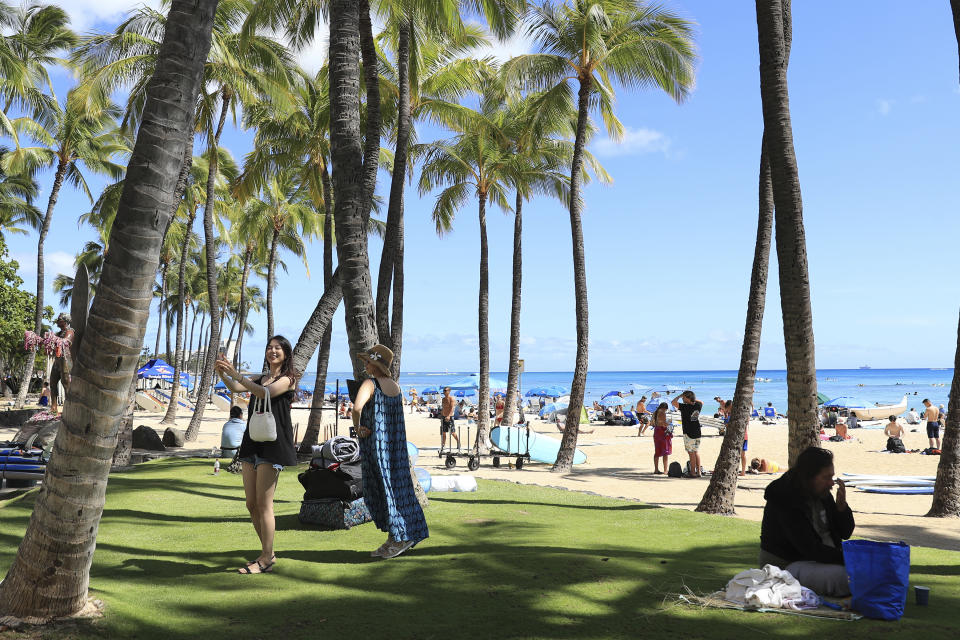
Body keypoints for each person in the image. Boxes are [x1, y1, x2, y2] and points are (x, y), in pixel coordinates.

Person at [215, 336, 298, 574]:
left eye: (278, 348)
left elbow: (264, 393)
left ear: (286, 353)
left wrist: (236, 373)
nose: (272, 351)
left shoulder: (288, 379)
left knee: (264, 504)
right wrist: (223, 373)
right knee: (251, 503)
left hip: (273, 444)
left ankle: (266, 558)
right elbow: (236, 388)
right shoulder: (261, 377)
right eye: (269, 347)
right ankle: (267, 553)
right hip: (252, 442)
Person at [353, 344, 429, 559]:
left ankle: (401, 537)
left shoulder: (370, 384)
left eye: (368, 361)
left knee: (379, 489)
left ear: (376, 365)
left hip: (376, 446)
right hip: (395, 447)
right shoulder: (395, 386)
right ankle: (396, 536)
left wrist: (358, 428)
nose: (365, 365)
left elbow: (357, 408)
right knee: (397, 489)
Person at [759, 447, 855, 597]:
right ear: (809, 477)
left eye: (832, 477)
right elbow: (809, 548)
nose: (831, 483)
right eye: (826, 477)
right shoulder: (785, 498)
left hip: (815, 561)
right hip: (785, 567)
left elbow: (845, 533)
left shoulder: (822, 493)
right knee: (846, 577)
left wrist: (842, 509)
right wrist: (849, 559)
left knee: (860, 573)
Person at [672, 390, 703, 477]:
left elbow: (673, 402)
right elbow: (701, 402)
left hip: (688, 432)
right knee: (696, 452)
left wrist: (679, 396)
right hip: (697, 431)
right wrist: (692, 399)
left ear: (687, 398)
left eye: (684, 397)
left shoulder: (685, 407)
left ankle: (692, 472)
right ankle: (699, 472)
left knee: (691, 453)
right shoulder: (697, 405)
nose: (682, 399)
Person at [49, 312, 75, 415]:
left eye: (59, 320)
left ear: (65, 321)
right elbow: (52, 342)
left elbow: (66, 341)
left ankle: (69, 408)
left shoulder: (70, 332)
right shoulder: (58, 334)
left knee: (66, 384)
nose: (57, 322)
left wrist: (54, 339)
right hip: (57, 361)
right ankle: (54, 407)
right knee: (52, 383)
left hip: (65, 361)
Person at [651, 402, 673, 474]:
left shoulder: (655, 413)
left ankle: (656, 469)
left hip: (656, 431)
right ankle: (665, 470)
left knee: (657, 451)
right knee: (665, 451)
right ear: (664, 408)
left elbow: (652, 423)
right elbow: (663, 424)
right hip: (662, 432)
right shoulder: (663, 413)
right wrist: (669, 422)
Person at [440, 387, 459, 451]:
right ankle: (443, 445)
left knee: (452, 432)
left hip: (450, 417)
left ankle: (458, 442)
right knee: (443, 432)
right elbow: (443, 407)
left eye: (445, 390)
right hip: (444, 416)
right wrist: (441, 414)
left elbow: (452, 408)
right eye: (443, 390)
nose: (444, 392)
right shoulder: (443, 399)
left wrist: (448, 416)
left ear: (449, 391)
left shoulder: (451, 398)